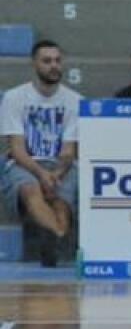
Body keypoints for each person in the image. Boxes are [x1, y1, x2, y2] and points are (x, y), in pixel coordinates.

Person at [0, 40, 82, 267]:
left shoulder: (75, 101)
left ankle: (51, 238)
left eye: (57, 60)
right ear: (34, 64)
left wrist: (57, 173)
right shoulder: (14, 97)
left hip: (61, 165)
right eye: (47, 61)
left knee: (62, 202)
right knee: (31, 190)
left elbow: (68, 150)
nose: (53, 66)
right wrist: (41, 174)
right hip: (24, 163)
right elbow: (17, 149)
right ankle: (59, 234)